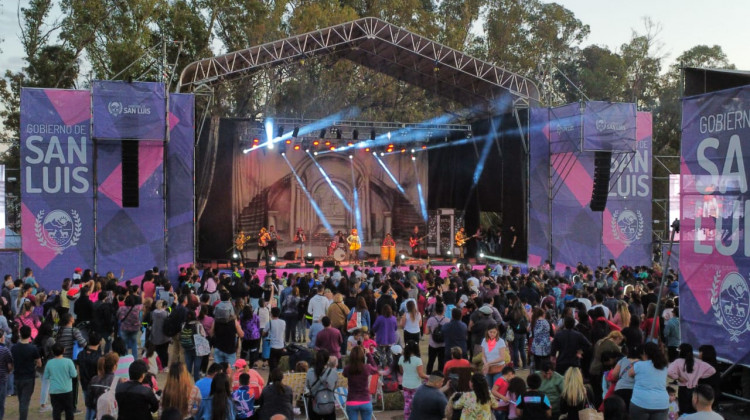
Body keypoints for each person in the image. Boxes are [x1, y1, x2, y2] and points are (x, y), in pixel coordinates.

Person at [667, 343, 716, 415]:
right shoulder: (698, 362)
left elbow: (669, 371)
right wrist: (700, 375)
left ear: (681, 351)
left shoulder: (678, 361)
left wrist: (678, 377)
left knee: (683, 410)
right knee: (694, 410)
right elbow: (712, 370)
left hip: (683, 389)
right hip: (695, 390)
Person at [629, 341, 669, 420]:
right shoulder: (664, 366)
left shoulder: (639, 364)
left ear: (644, 352)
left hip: (640, 402)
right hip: (662, 404)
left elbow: (630, 374)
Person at [12, 325, 41, 420]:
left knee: (21, 400)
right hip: (29, 377)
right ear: (29, 335)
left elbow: (11, 363)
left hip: (17, 376)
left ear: (20, 334)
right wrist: (34, 367)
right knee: (25, 401)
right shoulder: (33, 348)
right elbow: (39, 363)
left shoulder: (14, 348)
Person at [342, 345, 378, 420]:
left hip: (351, 401)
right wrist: (368, 354)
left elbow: (344, 374)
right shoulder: (367, 368)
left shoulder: (347, 368)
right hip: (365, 400)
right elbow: (375, 368)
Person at [44, 342, 77, 420]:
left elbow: (46, 376)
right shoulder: (68, 361)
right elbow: (74, 375)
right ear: (64, 350)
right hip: (67, 390)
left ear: (52, 352)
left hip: (54, 391)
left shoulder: (49, 363)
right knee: (69, 410)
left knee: (56, 411)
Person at [399, 340, 428, 419]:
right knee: (416, 404)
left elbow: (401, 371)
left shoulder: (401, 358)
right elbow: (421, 374)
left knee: (407, 404)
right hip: (416, 385)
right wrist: (428, 377)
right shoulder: (418, 360)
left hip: (405, 384)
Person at [306, 349, 338, 420]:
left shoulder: (310, 372)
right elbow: (334, 386)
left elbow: (308, 386)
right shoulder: (333, 372)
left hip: (314, 402)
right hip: (329, 402)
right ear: (328, 359)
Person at [77, 331, 103, 420]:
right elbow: (100, 373)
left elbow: (78, 371)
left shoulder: (81, 354)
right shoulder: (99, 357)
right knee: (94, 408)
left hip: (85, 384)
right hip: (96, 385)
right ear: (99, 342)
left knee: (89, 406)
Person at [86, 352, 119, 420]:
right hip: (112, 415)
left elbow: (88, 401)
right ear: (114, 366)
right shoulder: (118, 381)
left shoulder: (94, 379)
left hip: (97, 414)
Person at [425, 302, 449, 374]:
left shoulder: (431, 320)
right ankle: (440, 376)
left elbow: (426, 332)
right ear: (443, 311)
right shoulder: (447, 320)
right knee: (441, 361)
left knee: (431, 361)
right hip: (443, 344)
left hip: (433, 344)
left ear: (435, 311)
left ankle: (428, 375)